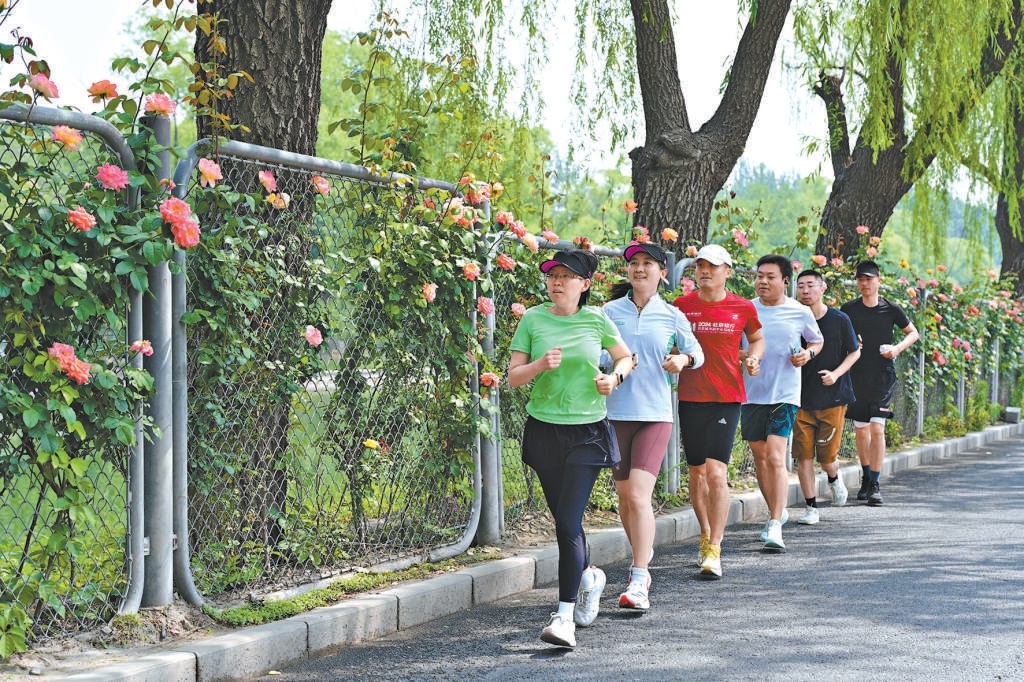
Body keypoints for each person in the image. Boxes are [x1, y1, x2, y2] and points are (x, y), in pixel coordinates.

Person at [507, 249, 634, 648]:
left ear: (585, 284)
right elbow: (513, 378)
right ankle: (589, 577)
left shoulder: (597, 319)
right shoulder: (533, 319)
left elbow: (625, 358)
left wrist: (614, 379)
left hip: (587, 433)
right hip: (545, 430)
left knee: (566, 523)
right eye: (552, 275)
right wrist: (540, 365)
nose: (557, 282)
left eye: (567, 276)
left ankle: (563, 618)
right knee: (566, 520)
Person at [604, 242, 704, 610]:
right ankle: (640, 562)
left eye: (648, 263)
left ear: (663, 272)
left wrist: (683, 358)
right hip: (615, 414)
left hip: (654, 415)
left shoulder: (672, 315)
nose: (639, 269)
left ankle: (640, 576)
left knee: (637, 496)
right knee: (624, 500)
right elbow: (600, 352)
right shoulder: (608, 312)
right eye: (634, 264)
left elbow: (697, 353)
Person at [673, 244, 764, 578]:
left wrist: (753, 356)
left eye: (713, 266)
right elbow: (671, 343)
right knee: (696, 473)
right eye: (700, 267)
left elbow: (757, 338)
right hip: (691, 397)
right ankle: (705, 533)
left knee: (716, 472)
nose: (705, 272)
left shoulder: (741, 307)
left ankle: (715, 547)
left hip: (727, 397)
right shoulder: (681, 306)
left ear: (728, 271)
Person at [741, 255, 823, 552]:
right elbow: (737, 348)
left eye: (770, 276)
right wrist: (747, 358)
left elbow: (816, 341)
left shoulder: (799, 312)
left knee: (776, 456)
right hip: (751, 394)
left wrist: (808, 355)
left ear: (785, 281)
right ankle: (776, 509)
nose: (762, 281)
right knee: (761, 458)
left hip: (785, 393)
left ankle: (775, 523)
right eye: (759, 275)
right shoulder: (746, 310)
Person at [840, 260, 920, 506]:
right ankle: (865, 476)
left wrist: (895, 349)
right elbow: (842, 337)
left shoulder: (891, 309)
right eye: (860, 279)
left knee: (877, 428)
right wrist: (853, 346)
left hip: (883, 375)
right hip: (857, 375)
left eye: (869, 279)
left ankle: (875, 483)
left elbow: (913, 333)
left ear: (878, 280)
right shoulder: (849, 309)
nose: (864, 284)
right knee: (861, 430)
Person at [792, 269, 861, 525]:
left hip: (833, 397)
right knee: (804, 456)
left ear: (823, 288)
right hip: (799, 398)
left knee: (827, 457)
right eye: (801, 286)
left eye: (811, 285)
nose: (806, 291)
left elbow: (854, 353)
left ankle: (833, 478)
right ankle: (811, 508)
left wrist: (836, 374)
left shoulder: (840, 319)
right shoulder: (792, 317)